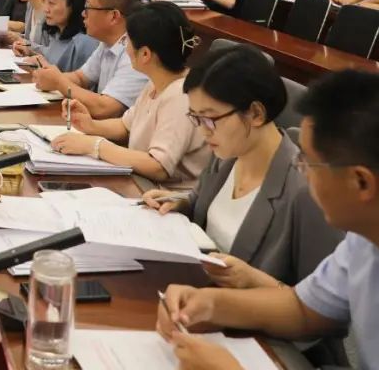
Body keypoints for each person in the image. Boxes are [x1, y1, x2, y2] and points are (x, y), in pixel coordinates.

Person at [156, 70, 378, 370]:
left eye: (308, 162)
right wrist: (210, 303)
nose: (301, 171)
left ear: (361, 182)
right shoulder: (362, 241)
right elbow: (303, 309)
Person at [51, 2, 210, 185]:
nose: (124, 46)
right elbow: (126, 126)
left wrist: (94, 146)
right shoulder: (156, 82)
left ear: (145, 54)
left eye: (126, 40)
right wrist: (90, 125)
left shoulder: (181, 96)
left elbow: (158, 166)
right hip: (141, 184)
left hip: (164, 195)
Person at [32, 0, 146, 118]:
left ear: (113, 16)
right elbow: (81, 78)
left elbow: (105, 108)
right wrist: (49, 77)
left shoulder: (136, 52)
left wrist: (58, 82)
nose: (83, 14)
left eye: (88, 8)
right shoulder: (106, 43)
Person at [15, 0, 97, 72]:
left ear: (73, 4)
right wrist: (27, 47)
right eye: (43, 1)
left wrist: (42, 66)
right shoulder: (57, 34)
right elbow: (49, 53)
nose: (45, 9)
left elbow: (78, 79)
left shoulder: (84, 43)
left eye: (52, 3)